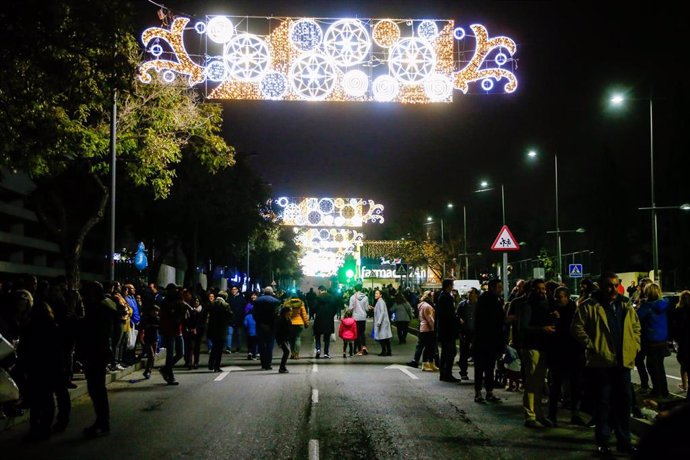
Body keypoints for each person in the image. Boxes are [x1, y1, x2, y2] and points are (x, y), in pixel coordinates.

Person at [571, 272, 641, 455]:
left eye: (616, 285)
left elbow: (636, 327)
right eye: (609, 285)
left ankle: (623, 441)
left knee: (624, 403)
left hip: (623, 362)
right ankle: (603, 442)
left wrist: (634, 346)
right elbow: (577, 328)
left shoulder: (625, 304)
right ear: (601, 287)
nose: (613, 289)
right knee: (603, 403)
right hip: (602, 363)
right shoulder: (589, 306)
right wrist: (592, 346)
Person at [78, 281, 118, 438]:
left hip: (95, 352)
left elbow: (90, 332)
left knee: (96, 389)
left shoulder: (97, 309)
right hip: (100, 352)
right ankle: (103, 420)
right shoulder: (106, 306)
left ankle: (102, 421)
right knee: (98, 389)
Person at [519, 279, 555, 427]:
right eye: (539, 289)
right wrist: (542, 329)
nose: (542, 291)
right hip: (531, 347)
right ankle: (530, 416)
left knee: (539, 382)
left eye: (543, 289)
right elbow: (524, 327)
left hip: (542, 346)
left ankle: (538, 414)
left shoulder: (545, 305)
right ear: (533, 290)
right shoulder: (528, 306)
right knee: (532, 382)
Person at [547, 286, 586, 426]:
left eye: (561, 296)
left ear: (567, 297)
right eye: (557, 297)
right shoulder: (552, 310)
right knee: (556, 385)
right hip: (558, 353)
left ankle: (575, 414)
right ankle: (552, 415)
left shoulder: (574, 311)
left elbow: (575, 329)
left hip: (573, 352)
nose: (558, 299)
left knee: (576, 384)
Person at [636, 282, 670, 398]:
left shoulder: (647, 306)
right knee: (660, 367)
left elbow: (637, 317)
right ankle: (664, 391)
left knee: (652, 367)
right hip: (663, 340)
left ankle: (657, 391)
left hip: (651, 341)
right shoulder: (664, 304)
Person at [473, 278, 504, 403]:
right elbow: (491, 319)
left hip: (490, 339)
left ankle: (488, 391)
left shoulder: (494, 300)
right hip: (484, 339)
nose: (500, 290)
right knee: (481, 367)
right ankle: (479, 392)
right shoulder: (486, 300)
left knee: (489, 367)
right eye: (498, 287)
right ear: (492, 287)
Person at [436, 279, 460, 382]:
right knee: (449, 352)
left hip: (444, 329)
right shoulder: (446, 297)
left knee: (447, 352)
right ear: (448, 286)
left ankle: (444, 373)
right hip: (447, 330)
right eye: (452, 285)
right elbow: (449, 314)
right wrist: (457, 319)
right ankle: (446, 373)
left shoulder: (443, 296)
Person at [253, 287, 281, 370]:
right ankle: (268, 364)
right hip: (271, 326)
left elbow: (254, 314)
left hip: (260, 325)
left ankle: (263, 364)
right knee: (269, 345)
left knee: (261, 345)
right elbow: (276, 315)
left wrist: (260, 323)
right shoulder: (276, 302)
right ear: (272, 293)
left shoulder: (257, 301)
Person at [206, 291, 232, 372]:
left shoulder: (211, 304)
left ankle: (210, 364)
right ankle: (217, 366)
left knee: (214, 347)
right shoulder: (225, 305)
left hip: (212, 328)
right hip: (221, 329)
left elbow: (205, 314)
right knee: (219, 348)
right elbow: (230, 315)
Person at [456, 288, 478, 380]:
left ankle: (479, 373)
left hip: (476, 332)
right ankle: (463, 371)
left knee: (477, 352)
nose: (469, 294)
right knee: (464, 352)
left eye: (471, 292)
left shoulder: (479, 305)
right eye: (468, 292)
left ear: (476, 294)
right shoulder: (462, 304)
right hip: (465, 331)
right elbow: (457, 315)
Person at [313, 286, 339, 359]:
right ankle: (326, 353)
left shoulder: (317, 298)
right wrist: (331, 315)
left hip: (319, 319)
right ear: (326, 290)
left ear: (320, 290)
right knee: (327, 337)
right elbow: (335, 308)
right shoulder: (332, 297)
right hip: (328, 319)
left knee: (317, 335)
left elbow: (314, 308)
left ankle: (318, 349)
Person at [672, 290, 690, 395]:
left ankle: (684, 384)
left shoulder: (678, 310)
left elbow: (675, 327)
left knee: (683, 363)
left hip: (683, 341)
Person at [417, 291, 438, 372]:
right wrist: (433, 328)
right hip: (427, 329)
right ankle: (426, 364)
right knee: (429, 348)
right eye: (432, 296)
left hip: (423, 328)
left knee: (429, 348)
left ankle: (430, 363)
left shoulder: (422, 305)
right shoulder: (427, 306)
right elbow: (430, 319)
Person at [349, 284, 371, 355]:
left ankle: (358, 349)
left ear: (355, 289)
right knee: (362, 333)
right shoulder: (365, 297)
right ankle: (364, 346)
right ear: (361, 289)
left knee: (356, 334)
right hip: (363, 317)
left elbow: (350, 308)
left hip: (355, 317)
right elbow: (367, 308)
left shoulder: (352, 297)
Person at [284, 294, 309, 359]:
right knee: (297, 338)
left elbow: (284, 314)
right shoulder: (301, 303)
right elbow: (304, 314)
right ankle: (297, 354)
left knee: (291, 339)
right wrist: (306, 323)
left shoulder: (287, 303)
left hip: (290, 323)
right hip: (299, 323)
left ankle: (292, 353)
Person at [141, 305, 160, 379]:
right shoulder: (147, 318)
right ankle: (148, 371)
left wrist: (152, 326)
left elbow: (160, 326)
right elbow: (144, 326)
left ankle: (148, 371)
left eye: (157, 311)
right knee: (151, 355)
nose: (156, 312)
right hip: (147, 339)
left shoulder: (158, 319)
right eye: (154, 310)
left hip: (155, 339)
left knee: (152, 357)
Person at [372, 289, 392, 356]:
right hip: (383, 322)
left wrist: (379, 322)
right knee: (385, 338)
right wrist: (373, 308)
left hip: (382, 323)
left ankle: (384, 351)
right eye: (375, 293)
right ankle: (388, 351)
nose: (375, 294)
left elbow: (382, 312)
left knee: (382, 338)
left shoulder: (380, 302)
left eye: (377, 293)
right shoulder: (379, 302)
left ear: (381, 295)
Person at [275, 307, 292, 373]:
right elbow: (278, 332)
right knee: (286, 352)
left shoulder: (287, 319)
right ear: (285, 312)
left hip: (285, 338)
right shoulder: (280, 319)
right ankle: (282, 367)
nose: (290, 313)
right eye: (289, 311)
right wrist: (278, 342)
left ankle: (283, 367)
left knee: (286, 352)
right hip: (282, 339)